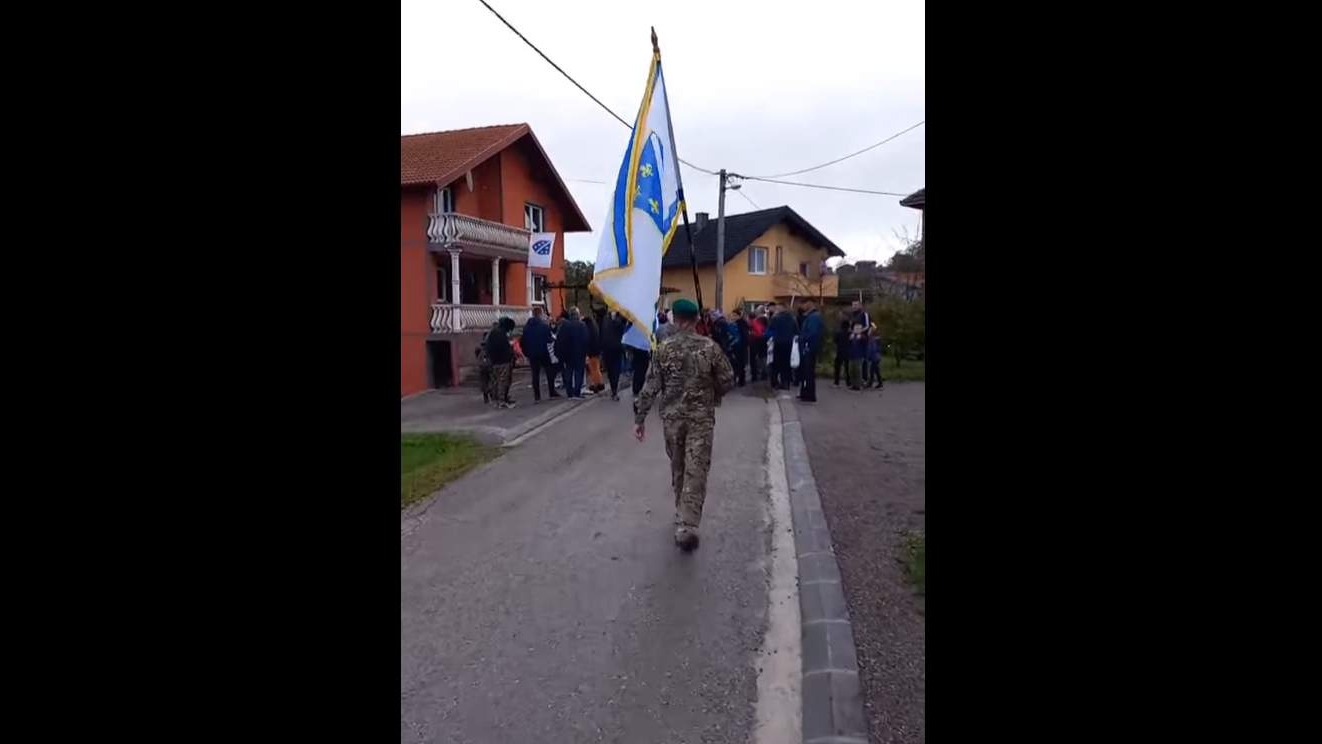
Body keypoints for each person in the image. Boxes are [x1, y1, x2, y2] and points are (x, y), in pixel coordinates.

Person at [634, 298, 735, 551]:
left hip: (672, 419)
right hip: (700, 419)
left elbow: (650, 386)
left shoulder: (663, 349)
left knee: (678, 466)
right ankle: (687, 522)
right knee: (696, 468)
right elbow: (727, 379)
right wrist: (714, 394)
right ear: (696, 320)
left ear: (675, 319)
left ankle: (683, 515)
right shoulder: (710, 347)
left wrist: (640, 418)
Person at [521, 307, 558, 403]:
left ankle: (537, 396)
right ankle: (552, 392)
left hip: (532, 354)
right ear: (540, 314)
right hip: (543, 352)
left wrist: (527, 353)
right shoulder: (544, 326)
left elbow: (523, 342)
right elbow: (550, 339)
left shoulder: (526, 327)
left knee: (535, 374)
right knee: (549, 371)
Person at [555, 307, 589, 398]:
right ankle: (577, 392)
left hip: (568, 353)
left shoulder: (565, 325)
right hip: (579, 353)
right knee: (579, 372)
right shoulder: (582, 325)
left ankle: (569, 392)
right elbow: (586, 340)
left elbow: (560, 340)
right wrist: (586, 352)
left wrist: (560, 353)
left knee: (569, 372)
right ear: (578, 315)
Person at [485, 317, 518, 408]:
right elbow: (505, 348)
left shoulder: (492, 333)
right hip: (503, 361)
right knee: (503, 381)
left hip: (494, 361)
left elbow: (488, 347)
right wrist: (510, 354)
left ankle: (496, 400)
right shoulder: (502, 334)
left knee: (495, 381)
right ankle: (501, 401)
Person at [797, 298, 824, 402]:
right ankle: (805, 392)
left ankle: (809, 394)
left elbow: (813, 333)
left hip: (809, 347)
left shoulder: (814, 317)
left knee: (808, 372)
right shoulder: (810, 316)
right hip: (807, 346)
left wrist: (803, 339)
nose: (802, 307)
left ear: (810, 303)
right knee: (805, 371)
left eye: (804, 304)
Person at [769, 302, 799, 390]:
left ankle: (775, 383)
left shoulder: (775, 318)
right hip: (789, 343)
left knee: (776, 364)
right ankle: (786, 383)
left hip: (778, 343)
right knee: (786, 364)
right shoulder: (792, 318)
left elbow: (770, 329)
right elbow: (796, 331)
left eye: (778, 308)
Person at [600, 310, 626, 401]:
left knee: (613, 370)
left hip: (611, 349)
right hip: (613, 348)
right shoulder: (615, 320)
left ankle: (614, 390)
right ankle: (614, 390)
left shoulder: (606, 319)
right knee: (613, 370)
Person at [584, 310, 604, 394]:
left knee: (593, 369)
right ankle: (600, 382)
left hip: (592, 351)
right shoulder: (595, 327)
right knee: (597, 368)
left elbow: (588, 341)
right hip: (597, 350)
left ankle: (596, 385)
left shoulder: (589, 330)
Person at [748, 307, 768, 382]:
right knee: (763, 357)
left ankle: (757, 374)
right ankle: (764, 373)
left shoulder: (757, 320)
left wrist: (752, 333)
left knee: (756, 358)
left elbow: (758, 332)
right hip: (763, 340)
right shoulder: (766, 319)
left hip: (756, 341)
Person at [730, 307, 749, 387]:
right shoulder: (739, 323)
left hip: (740, 347)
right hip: (739, 346)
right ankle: (740, 380)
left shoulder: (740, 324)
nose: (733, 317)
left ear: (738, 316)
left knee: (739, 364)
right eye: (732, 315)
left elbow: (744, 336)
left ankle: (741, 380)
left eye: (734, 315)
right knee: (738, 364)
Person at [847, 322, 867, 391]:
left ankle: (858, 385)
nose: (857, 329)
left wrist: (861, 337)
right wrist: (850, 339)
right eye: (856, 328)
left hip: (859, 356)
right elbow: (848, 345)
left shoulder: (862, 336)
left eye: (859, 328)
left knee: (858, 371)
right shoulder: (852, 336)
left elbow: (865, 342)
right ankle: (853, 384)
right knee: (851, 371)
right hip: (851, 356)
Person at [833, 318, 852, 387]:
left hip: (839, 351)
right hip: (847, 352)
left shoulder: (838, 333)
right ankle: (848, 382)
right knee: (847, 368)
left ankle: (836, 382)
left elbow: (835, 341)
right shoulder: (850, 333)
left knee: (837, 367)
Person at [865, 324, 884, 390]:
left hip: (875, 357)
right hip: (876, 357)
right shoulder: (874, 339)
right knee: (876, 370)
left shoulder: (873, 340)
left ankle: (871, 383)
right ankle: (879, 383)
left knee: (872, 371)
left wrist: (869, 356)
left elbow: (872, 349)